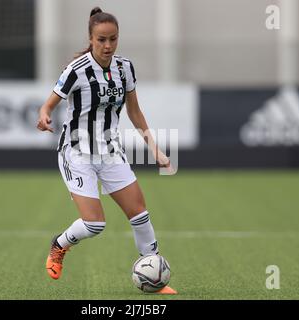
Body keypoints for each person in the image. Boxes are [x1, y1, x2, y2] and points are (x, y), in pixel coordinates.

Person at [37, 7, 176, 294]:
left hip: (110, 152)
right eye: (101, 39)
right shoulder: (76, 70)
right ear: (91, 38)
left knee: (140, 215)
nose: (108, 45)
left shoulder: (125, 68)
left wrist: (156, 150)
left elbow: (135, 113)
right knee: (94, 224)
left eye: (113, 39)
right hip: (77, 154)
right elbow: (49, 103)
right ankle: (59, 244)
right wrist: (44, 115)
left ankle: (154, 276)